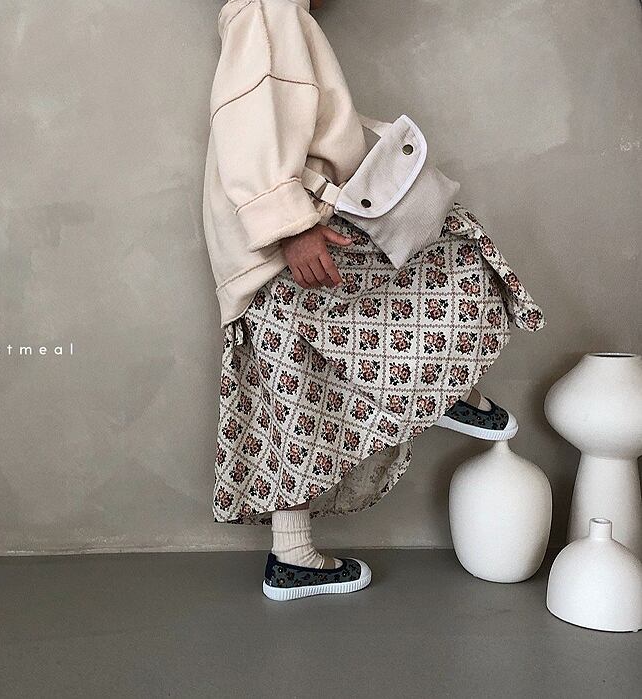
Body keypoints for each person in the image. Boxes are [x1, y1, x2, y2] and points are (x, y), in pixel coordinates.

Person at [202, 0, 546, 601]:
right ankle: (440, 386)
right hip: (285, 232)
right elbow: (249, 122)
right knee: (447, 249)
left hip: (265, 239)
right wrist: (290, 227)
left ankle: (292, 558)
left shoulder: (269, 12)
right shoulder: (267, 8)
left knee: (292, 385)